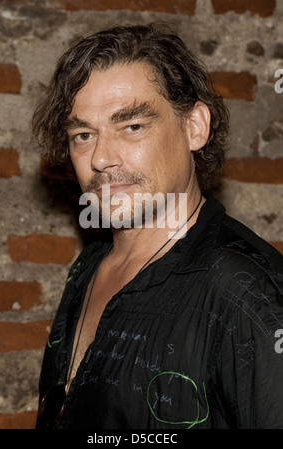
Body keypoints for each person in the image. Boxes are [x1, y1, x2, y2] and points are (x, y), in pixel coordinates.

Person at [32, 23, 283, 429]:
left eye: (131, 126)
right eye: (83, 134)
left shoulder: (246, 292)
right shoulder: (88, 268)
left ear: (194, 127)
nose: (100, 158)